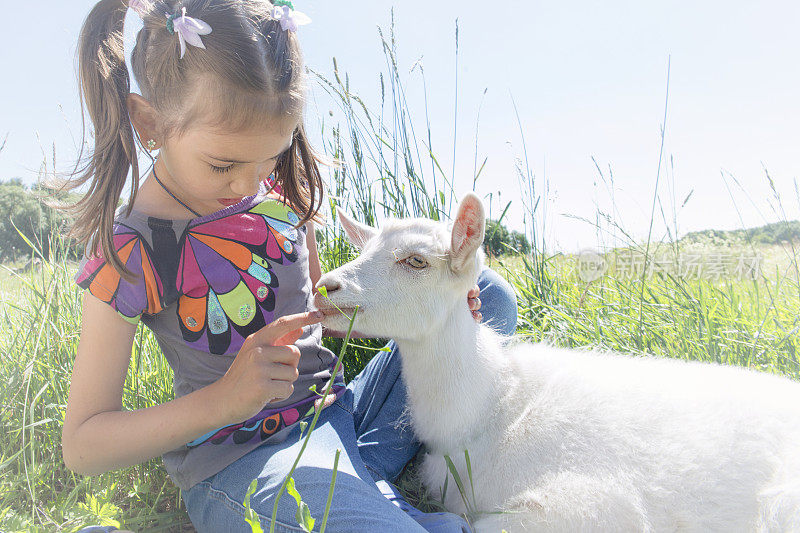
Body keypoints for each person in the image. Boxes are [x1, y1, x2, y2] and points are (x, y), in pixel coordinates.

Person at [59, 1, 519, 532]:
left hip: (344, 418)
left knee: (488, 294)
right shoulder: (130, 250)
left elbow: (322, 313)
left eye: (270, 156)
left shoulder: (285, 190)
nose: (248, 185)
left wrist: (433, 302)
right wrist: (223, 401)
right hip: (246, 461)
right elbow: (84, 445)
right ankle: (375, 505)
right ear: (150, 122)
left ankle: (368, 493)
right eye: (222, 164)